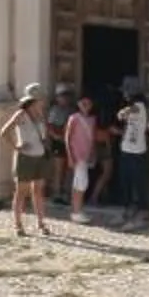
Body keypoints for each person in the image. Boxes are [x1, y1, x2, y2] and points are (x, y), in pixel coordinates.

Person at [0, 85, 52, 236]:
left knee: (38, 190)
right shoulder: (21, 114)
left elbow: (43, 135)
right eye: (40, 99)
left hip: (39, 156)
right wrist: (16, 146)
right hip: (25, 157)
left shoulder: (41, 115)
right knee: (21, 191)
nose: (42, 101)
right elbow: (4, 131)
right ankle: (18, 224)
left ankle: (41, 223)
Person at [115, 85, 149, 220]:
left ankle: (143, 208)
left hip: (137, 151)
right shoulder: (133, 109)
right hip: (126, 149)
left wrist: (123, 111)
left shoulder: (139, 106)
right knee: (126, 180)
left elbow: (131, 110)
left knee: (139, 181)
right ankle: (128, 206)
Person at [65, 92, 98, 220]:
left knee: (79, 182)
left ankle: (77, 209)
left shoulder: (92, 119)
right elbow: (67, 137)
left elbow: (92, 138)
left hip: (86, 155)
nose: (85, 105)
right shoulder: (74, 118)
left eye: (88, 103)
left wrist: (93, 153)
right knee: (81, 183)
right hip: (77, 154)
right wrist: (70, 156)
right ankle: (77, 211)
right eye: (83, 103)